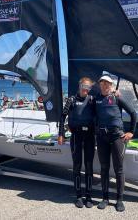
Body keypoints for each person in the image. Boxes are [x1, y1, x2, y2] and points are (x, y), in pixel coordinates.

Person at [94, 75, 137, 212]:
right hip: (102, 137)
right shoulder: (96, 99)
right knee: (104, 168)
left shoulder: (117, 98)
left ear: (111, 85)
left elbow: (133, 113)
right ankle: (105, 198)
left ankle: (119, 199)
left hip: (117, 137)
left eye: (107, 83)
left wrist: (131, 132)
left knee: (119, 169)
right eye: (103, 83)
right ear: (99, 85)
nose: (105, 85)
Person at [58, 77, 95, 208]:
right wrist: (61, 134)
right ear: (79, 86)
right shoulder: (71, 100)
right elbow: (62, 116)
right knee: (77, 166)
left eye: (88, 87)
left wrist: (114, 94)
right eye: (84, 86)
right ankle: (79, 196)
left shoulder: (92, 100)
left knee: (89, 167)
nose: (86, 89)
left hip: (90, 137)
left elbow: (104, 110)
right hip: (76, 137)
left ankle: (89, 196)